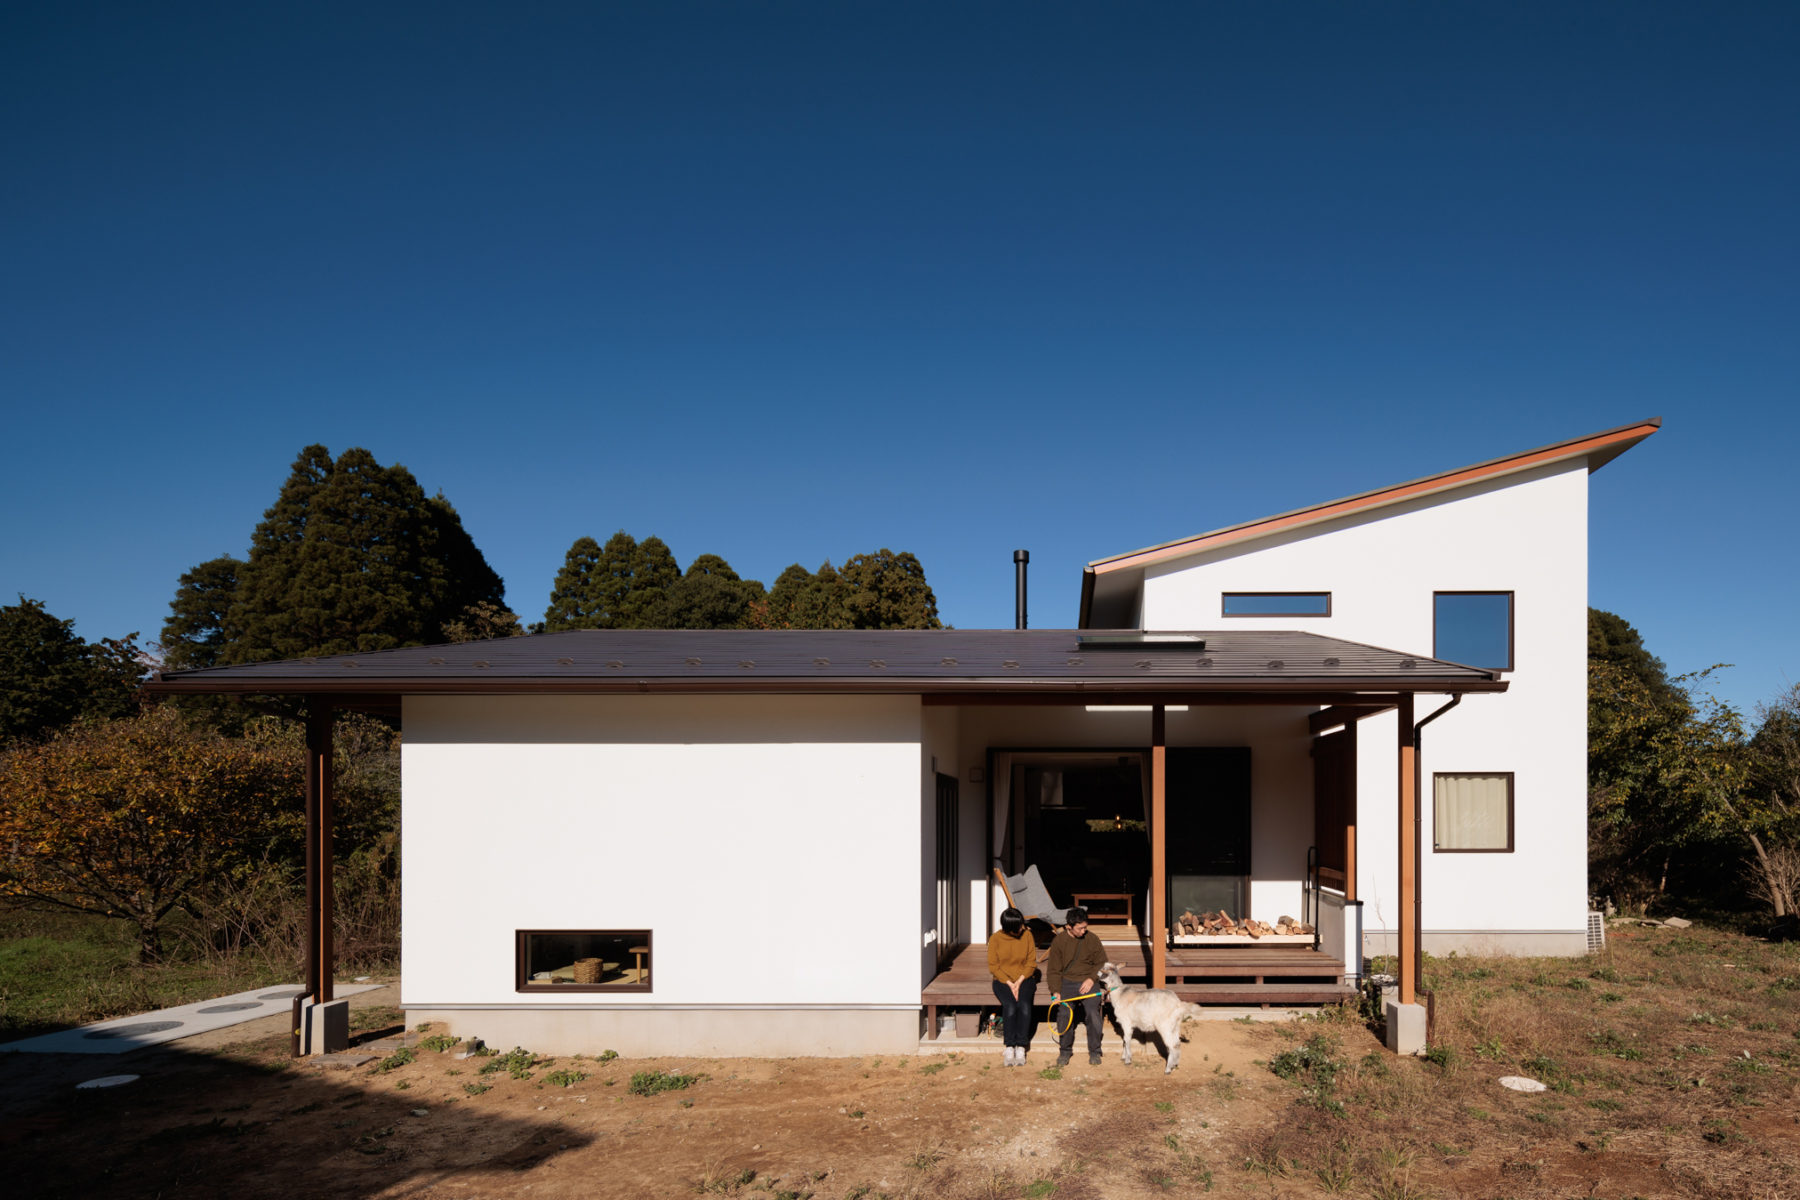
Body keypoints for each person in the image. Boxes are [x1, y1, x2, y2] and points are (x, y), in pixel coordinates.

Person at [1046, 907, 1107, 1066]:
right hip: (1067, 982)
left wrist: (1091, 979)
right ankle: (1065, 1051)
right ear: (1069, 927)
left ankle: (1095, 1051)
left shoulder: (1092, 938)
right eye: (1080, 928)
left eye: (1085, 927)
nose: (1084, 931)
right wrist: (1055, 991)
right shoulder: (1059, 942)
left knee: (1093, 1013)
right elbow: (1053, 970)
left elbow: (1102, 963)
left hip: (1088, 980)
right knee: (1064, 1013)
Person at [986, 906, 1039, 1066]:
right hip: (1002, 980)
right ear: (1010, 928)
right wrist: (1010, 984)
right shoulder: (995, 939)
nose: (1023, 928)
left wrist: (1019, 982)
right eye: (1019, 926)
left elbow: (1031, 963)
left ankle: (1021, 1045)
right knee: (1009, 1006)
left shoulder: (1027, 935)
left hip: (1025, 978)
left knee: (1024, 1006)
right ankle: (1009, 1046)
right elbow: (993, 966)